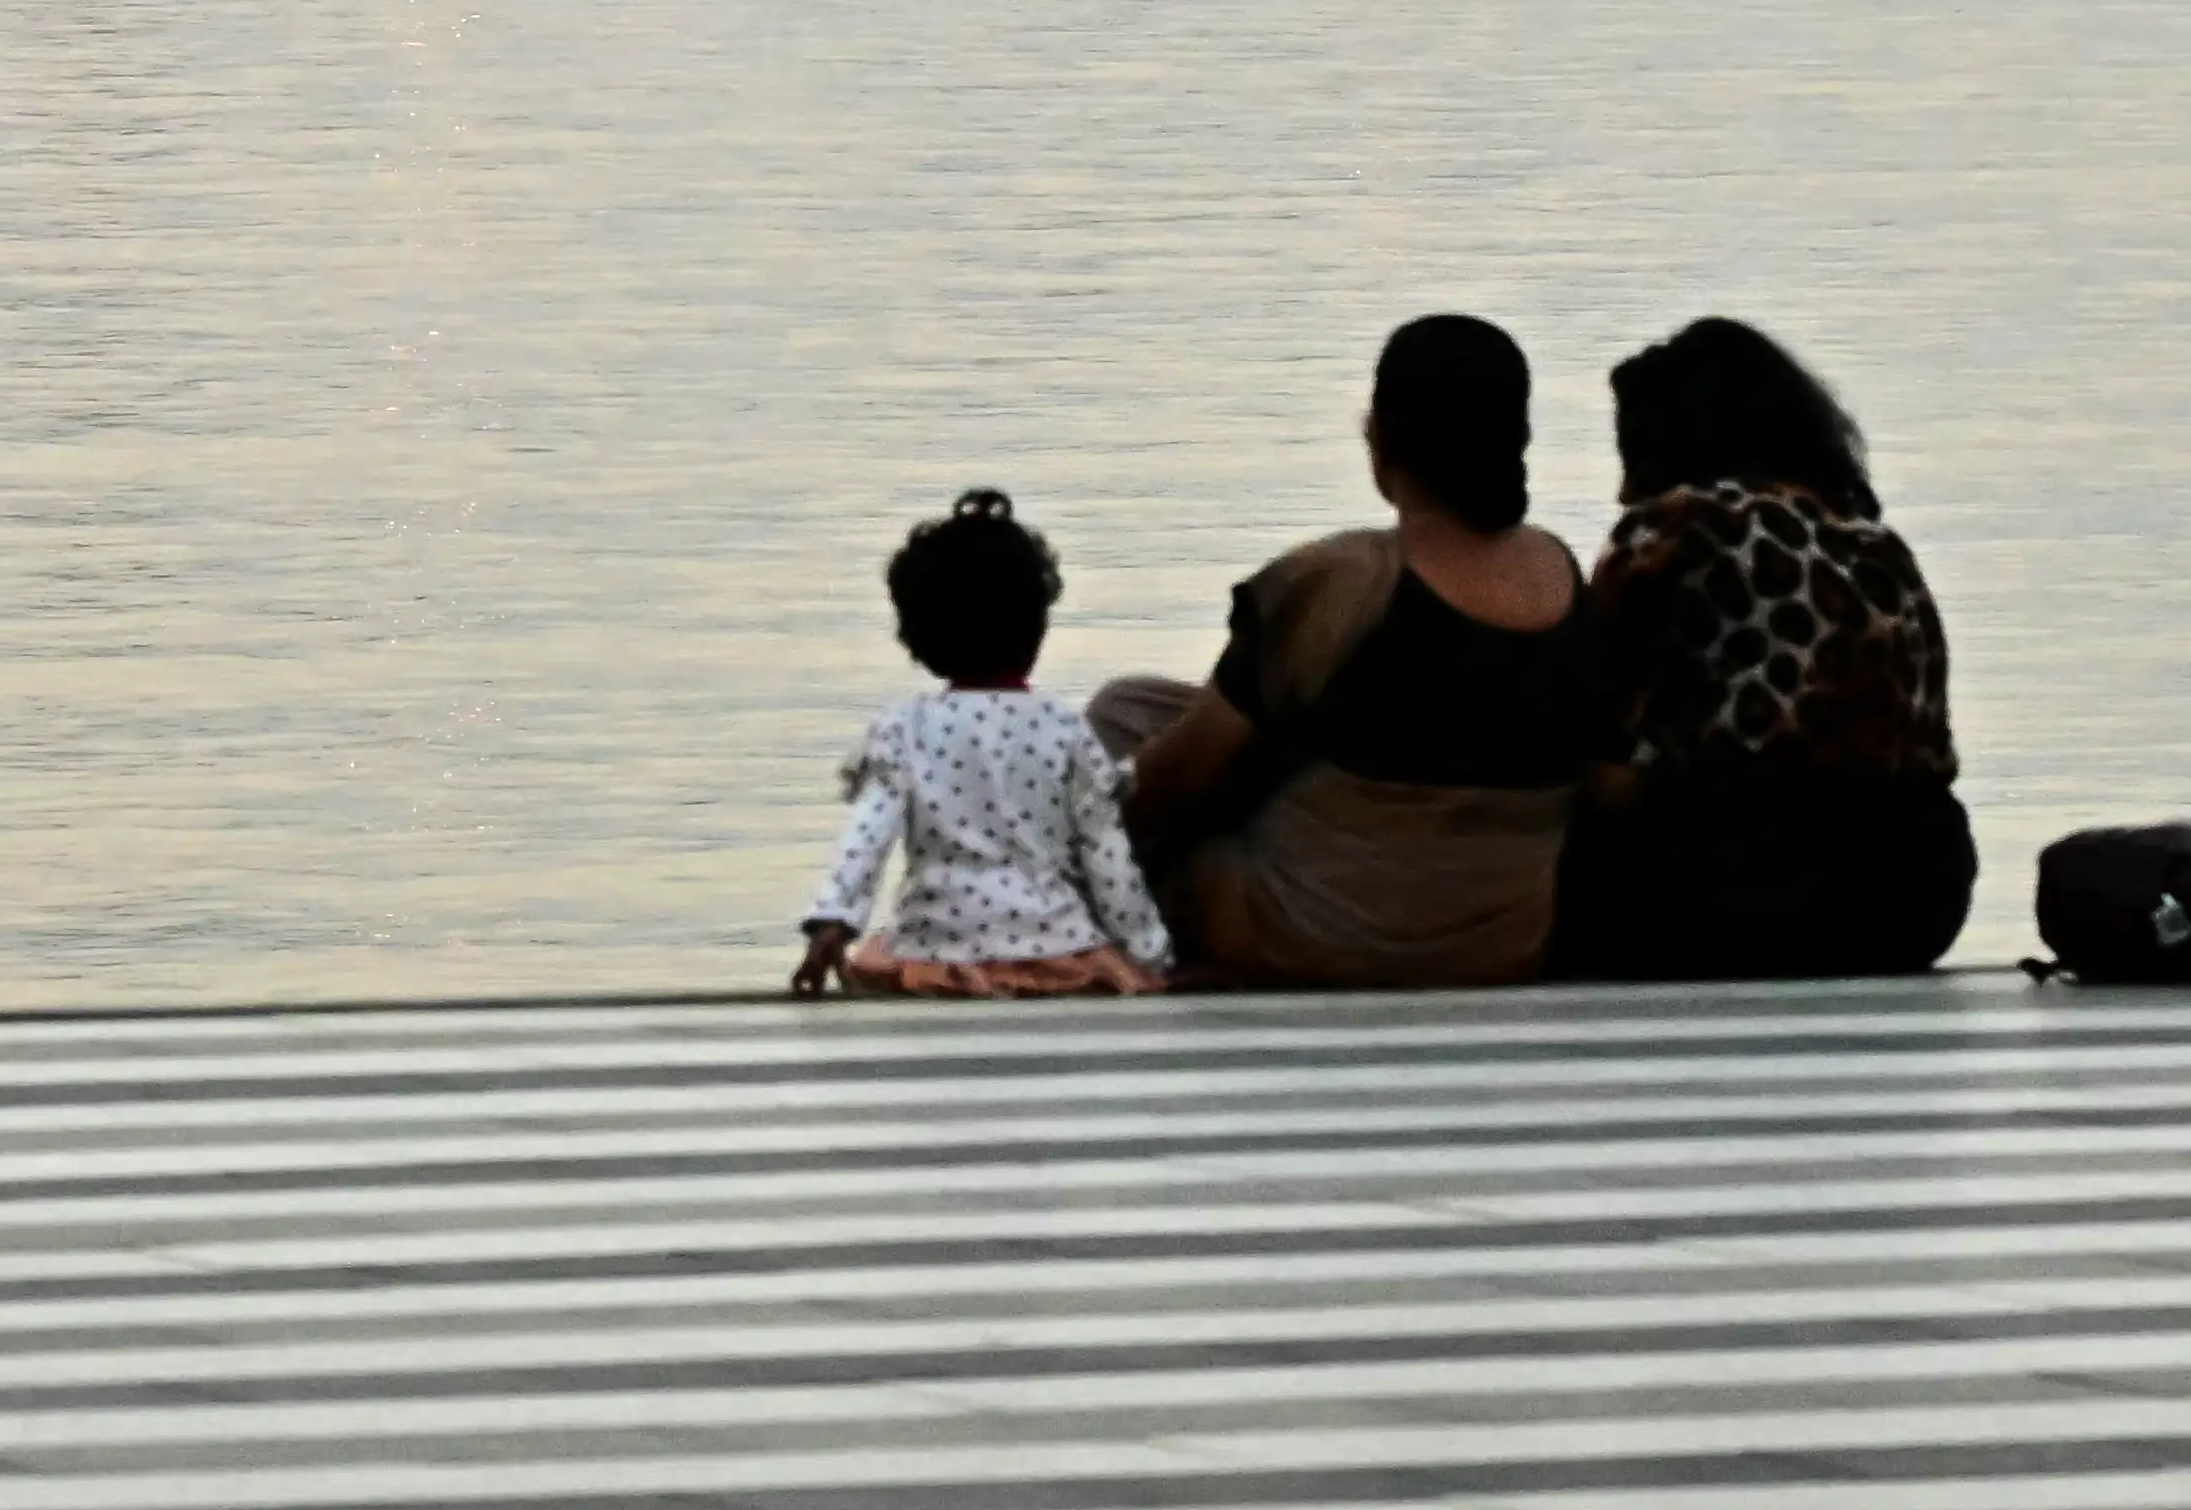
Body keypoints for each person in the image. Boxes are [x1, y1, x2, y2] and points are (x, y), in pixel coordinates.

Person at [1097, 312, 1599, 990]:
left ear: (1383, 438)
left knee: (1119, 755)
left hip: (1310, 934)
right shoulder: (1558, 573)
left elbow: (1177, 777)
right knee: (1132, 702)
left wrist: (1069, 846)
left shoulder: (1340, 579)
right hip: (1499, 944)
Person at [1546, 316, 1976, 981]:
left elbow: (1587, 713)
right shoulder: (1875, 543)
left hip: (1749, 891)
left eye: (1632, 458)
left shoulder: (1677, 527)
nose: (1623, 492)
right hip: (1917, 891)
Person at [793, 490, 1172, 999]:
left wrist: (832, 923)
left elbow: (867, 840)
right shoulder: (1063, 729)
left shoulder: (903, 730)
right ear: (1037, 624)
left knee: (889, 959)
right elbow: (1107, 858)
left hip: (935, 953)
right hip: (1054, 949)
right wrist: (1150, 955)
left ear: (918, 638)